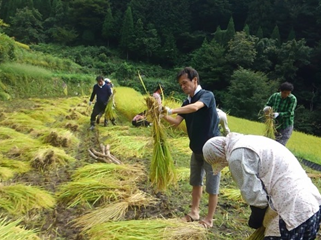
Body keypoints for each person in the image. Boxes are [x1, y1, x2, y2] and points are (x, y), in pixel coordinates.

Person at [202, 133, 321, 239]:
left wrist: (255, 220)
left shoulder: (237, 156)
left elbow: (256, 198)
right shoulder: (251, 141)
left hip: (290, 213)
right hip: (311, 207)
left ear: (218, 155)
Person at [161, 67, 221, 228]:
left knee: (212, 185)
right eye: (181, 85)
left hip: (212, 149)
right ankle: (194, 212)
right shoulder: (186, 101)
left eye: (185, 83)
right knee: (196, 181)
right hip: (196, 149)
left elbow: (195, 108)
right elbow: (176, 122)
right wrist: (162, 115)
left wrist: (171, 109)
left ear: (195, 80)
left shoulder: (207, 95)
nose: (183, 87)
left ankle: (209, 219)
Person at [263, 82, 297, 146]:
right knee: (270, 141)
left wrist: (278, 114)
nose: (286, 95)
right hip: (274, 124)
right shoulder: (275, 96)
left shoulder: (292, 99)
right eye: (285, 93)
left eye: (288, 93)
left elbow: (290, 113)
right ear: (281, 91)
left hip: (286, 125)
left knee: (280, 144)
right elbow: (268, 104)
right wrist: (267, 108)